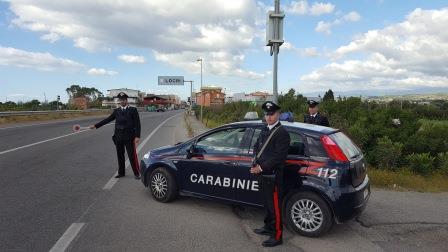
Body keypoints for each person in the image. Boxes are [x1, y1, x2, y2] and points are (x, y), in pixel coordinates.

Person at [250, 101, 290, 247]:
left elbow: (279, 157)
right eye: (267, 114)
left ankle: (277, 236)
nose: (269, 117)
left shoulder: (282, 133)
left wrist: (260, 168)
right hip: (263, 175)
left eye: (272, 114)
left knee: (275, 208)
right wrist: (254, 160)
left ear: (278, 114)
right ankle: (268, 228)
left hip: (273, 176)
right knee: (267, 205)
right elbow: (256, 146)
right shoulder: (265, 129)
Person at [89, 92, 141, 179]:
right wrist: (96, 125)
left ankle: (136, 173)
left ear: (126, 100)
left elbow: (137, 124)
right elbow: (107, 120)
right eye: (120, 100)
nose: (122, 101)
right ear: (119, 101)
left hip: (129, 137)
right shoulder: (116, 111)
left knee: (132, 155)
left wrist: (137, 136)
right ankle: (121, 172)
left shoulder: (133, 110)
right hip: (118, 137)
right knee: (120, 155)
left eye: (124, 100)